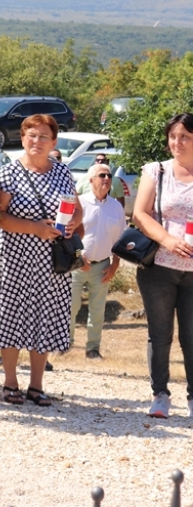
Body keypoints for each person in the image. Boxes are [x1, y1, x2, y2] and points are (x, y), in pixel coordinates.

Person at [0, 114, 81, 407]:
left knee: (43, 321)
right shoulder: (8, 174)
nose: (37, 141)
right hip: (14, 260)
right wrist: (34, 227)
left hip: (51, 265)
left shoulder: (62, 172)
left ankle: (37, 386)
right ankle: (10, 383)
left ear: (53, 142)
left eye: (43, 136)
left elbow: (78, 210)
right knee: (11, 319)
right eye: (31, 136)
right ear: (22, 139)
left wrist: (72, 223)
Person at [131, 112, 193, 419]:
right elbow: (140, 215)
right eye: (173, 136)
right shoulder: (156, 171)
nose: (177, 143)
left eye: (184, 137)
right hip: (158, 267)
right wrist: (168, 240)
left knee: (192, 336)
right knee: (160, 334)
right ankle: (160, 395)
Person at [70, 162, 127, 360]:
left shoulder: (116, 208)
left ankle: (93, 348)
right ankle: (65, 344)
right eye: (102, 175)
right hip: (77, 264)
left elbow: (121, 240)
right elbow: (67, 234)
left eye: (109, 176)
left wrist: (115, 265)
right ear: (91, 180)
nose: (106, 179)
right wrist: (77, 257)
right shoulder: (80, 203)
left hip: (103, 265)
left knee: (97, 309)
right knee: (71, 305)